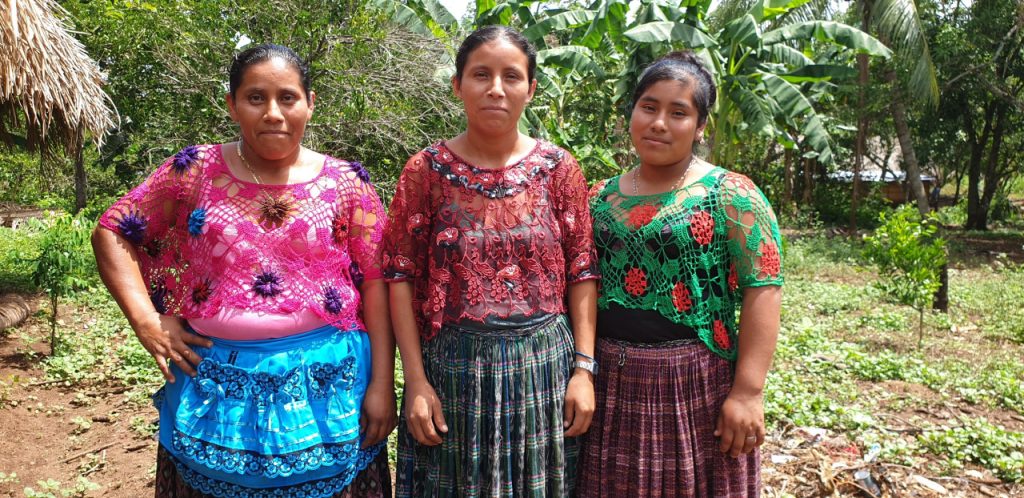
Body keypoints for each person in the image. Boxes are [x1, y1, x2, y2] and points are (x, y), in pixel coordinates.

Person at [92, 44, 396, 498]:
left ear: (310, 103)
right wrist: (147, 320)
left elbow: (377, 282)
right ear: (232, 104)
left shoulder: (347, 183)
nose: (273, 113)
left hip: (330, 391)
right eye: (256, 98)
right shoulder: (194, 171)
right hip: (214, 387)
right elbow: (112, 232)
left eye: (288, 97)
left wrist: (382, 385)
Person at [382, 25, 599, 498]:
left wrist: (584, 370)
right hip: (454, 370)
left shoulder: (560, 170)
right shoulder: (425, 172)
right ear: (458, 85)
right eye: (481, 74)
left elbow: (582, 271)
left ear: (531, 88)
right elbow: (399, 276)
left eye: (511, 76)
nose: (496, 88)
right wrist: (415, 381)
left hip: (544, 368)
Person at [577, 51, 783, 497]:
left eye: (678, 112)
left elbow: (762, 289)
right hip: (611, 381)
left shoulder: (731, 194)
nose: (659, 123)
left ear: (700, 126)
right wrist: (583, 370)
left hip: (694, 382)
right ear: (632, 111)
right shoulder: (599, 198)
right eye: (649, 106)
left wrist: (748, 392)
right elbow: (583, 289)